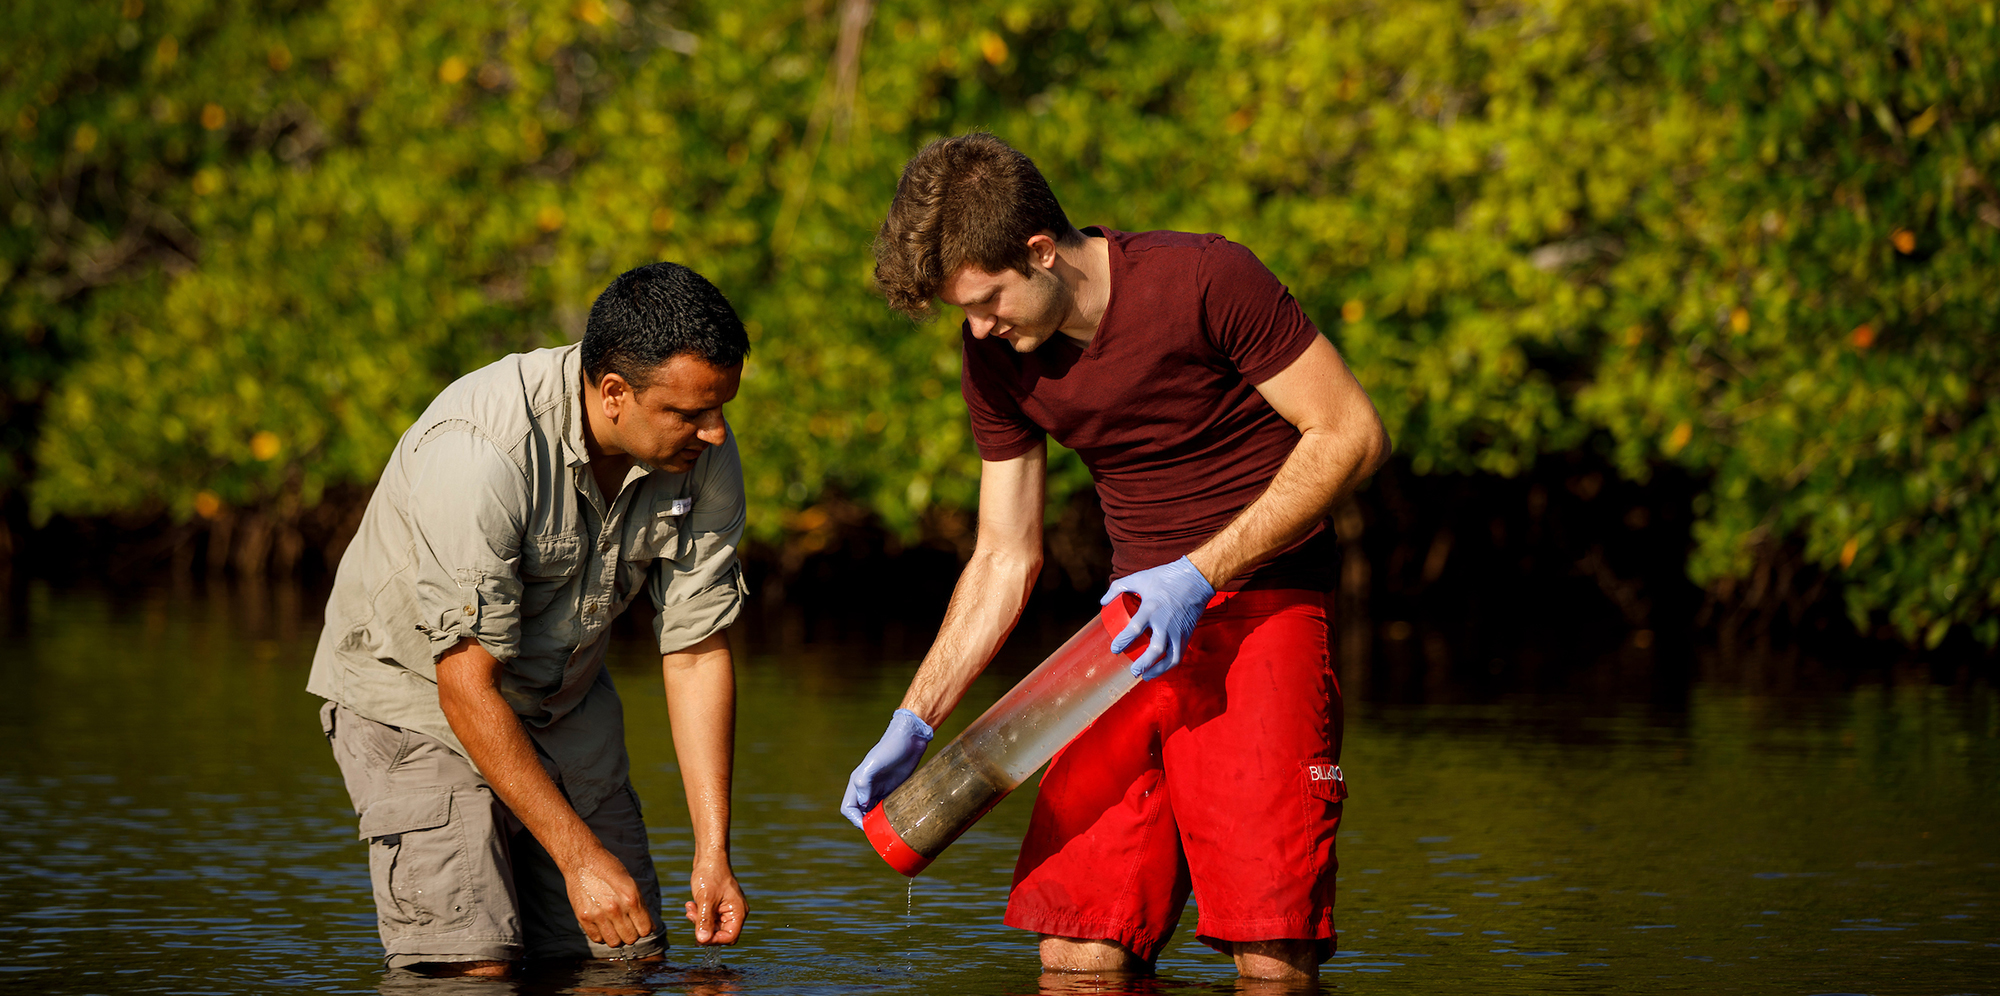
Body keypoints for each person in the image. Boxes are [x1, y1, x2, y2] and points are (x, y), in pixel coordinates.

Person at [841, 134, 1390, 984]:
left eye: (988, 300)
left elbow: (1350, 432)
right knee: (1076, 948)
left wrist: (1199, 574)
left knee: (1269, 952)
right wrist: (916, 717)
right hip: (1126, 637)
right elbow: (1003, 554)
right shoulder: (994, 353)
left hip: (1263, 611)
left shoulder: (1207, 280)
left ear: (1040, 252)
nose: (979, 326)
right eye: (964, 312)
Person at [308, 262, 751, 974]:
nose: (717, 434)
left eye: (722, 407)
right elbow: (464, 686)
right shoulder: (483, 454)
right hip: (420, 698)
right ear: (614, 394)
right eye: (692, 414)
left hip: (559, 691)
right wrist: (578, 859)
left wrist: (713, 852)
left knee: (627, 960)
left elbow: (696, 649)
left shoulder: (699, 452)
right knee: (476, 966)